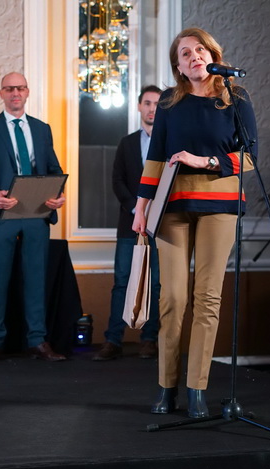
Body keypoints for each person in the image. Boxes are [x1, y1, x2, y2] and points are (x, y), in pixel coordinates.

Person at [131, 28, 257, 418]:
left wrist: (204, 162)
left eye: (199, 49)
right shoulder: (170, 102)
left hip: (221, 206)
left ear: (213, 55)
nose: (194, 56)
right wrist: (141, 208)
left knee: (208, 298)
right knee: (172, 299)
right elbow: (155, 158)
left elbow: (250, 156)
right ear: (179, 66)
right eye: (184, 54)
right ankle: (167, 387)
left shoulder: (235, 97)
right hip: (172, 206)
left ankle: (197, 389)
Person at [0, 72, 66, 363]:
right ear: (1, 93)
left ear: (27, 92)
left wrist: (58, 194)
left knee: (36, 279)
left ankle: (37, 340)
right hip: (1, 214)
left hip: (37, 213)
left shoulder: (42, 129)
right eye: (9, 89)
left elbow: (53, 169)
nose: (15, 93)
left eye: (20, 88)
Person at [95, 85, 163, 362]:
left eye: (157, 104)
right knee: (122, 282)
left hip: (161, 224)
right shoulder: (127, 143)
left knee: (155, 285)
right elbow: (117, 181)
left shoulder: (170, 144)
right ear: (138, 107)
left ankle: (150, 340)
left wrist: (154, 211)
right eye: (147, 103)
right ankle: (113, 340)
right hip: (129, 223)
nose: (152, 109)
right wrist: (137, 209)